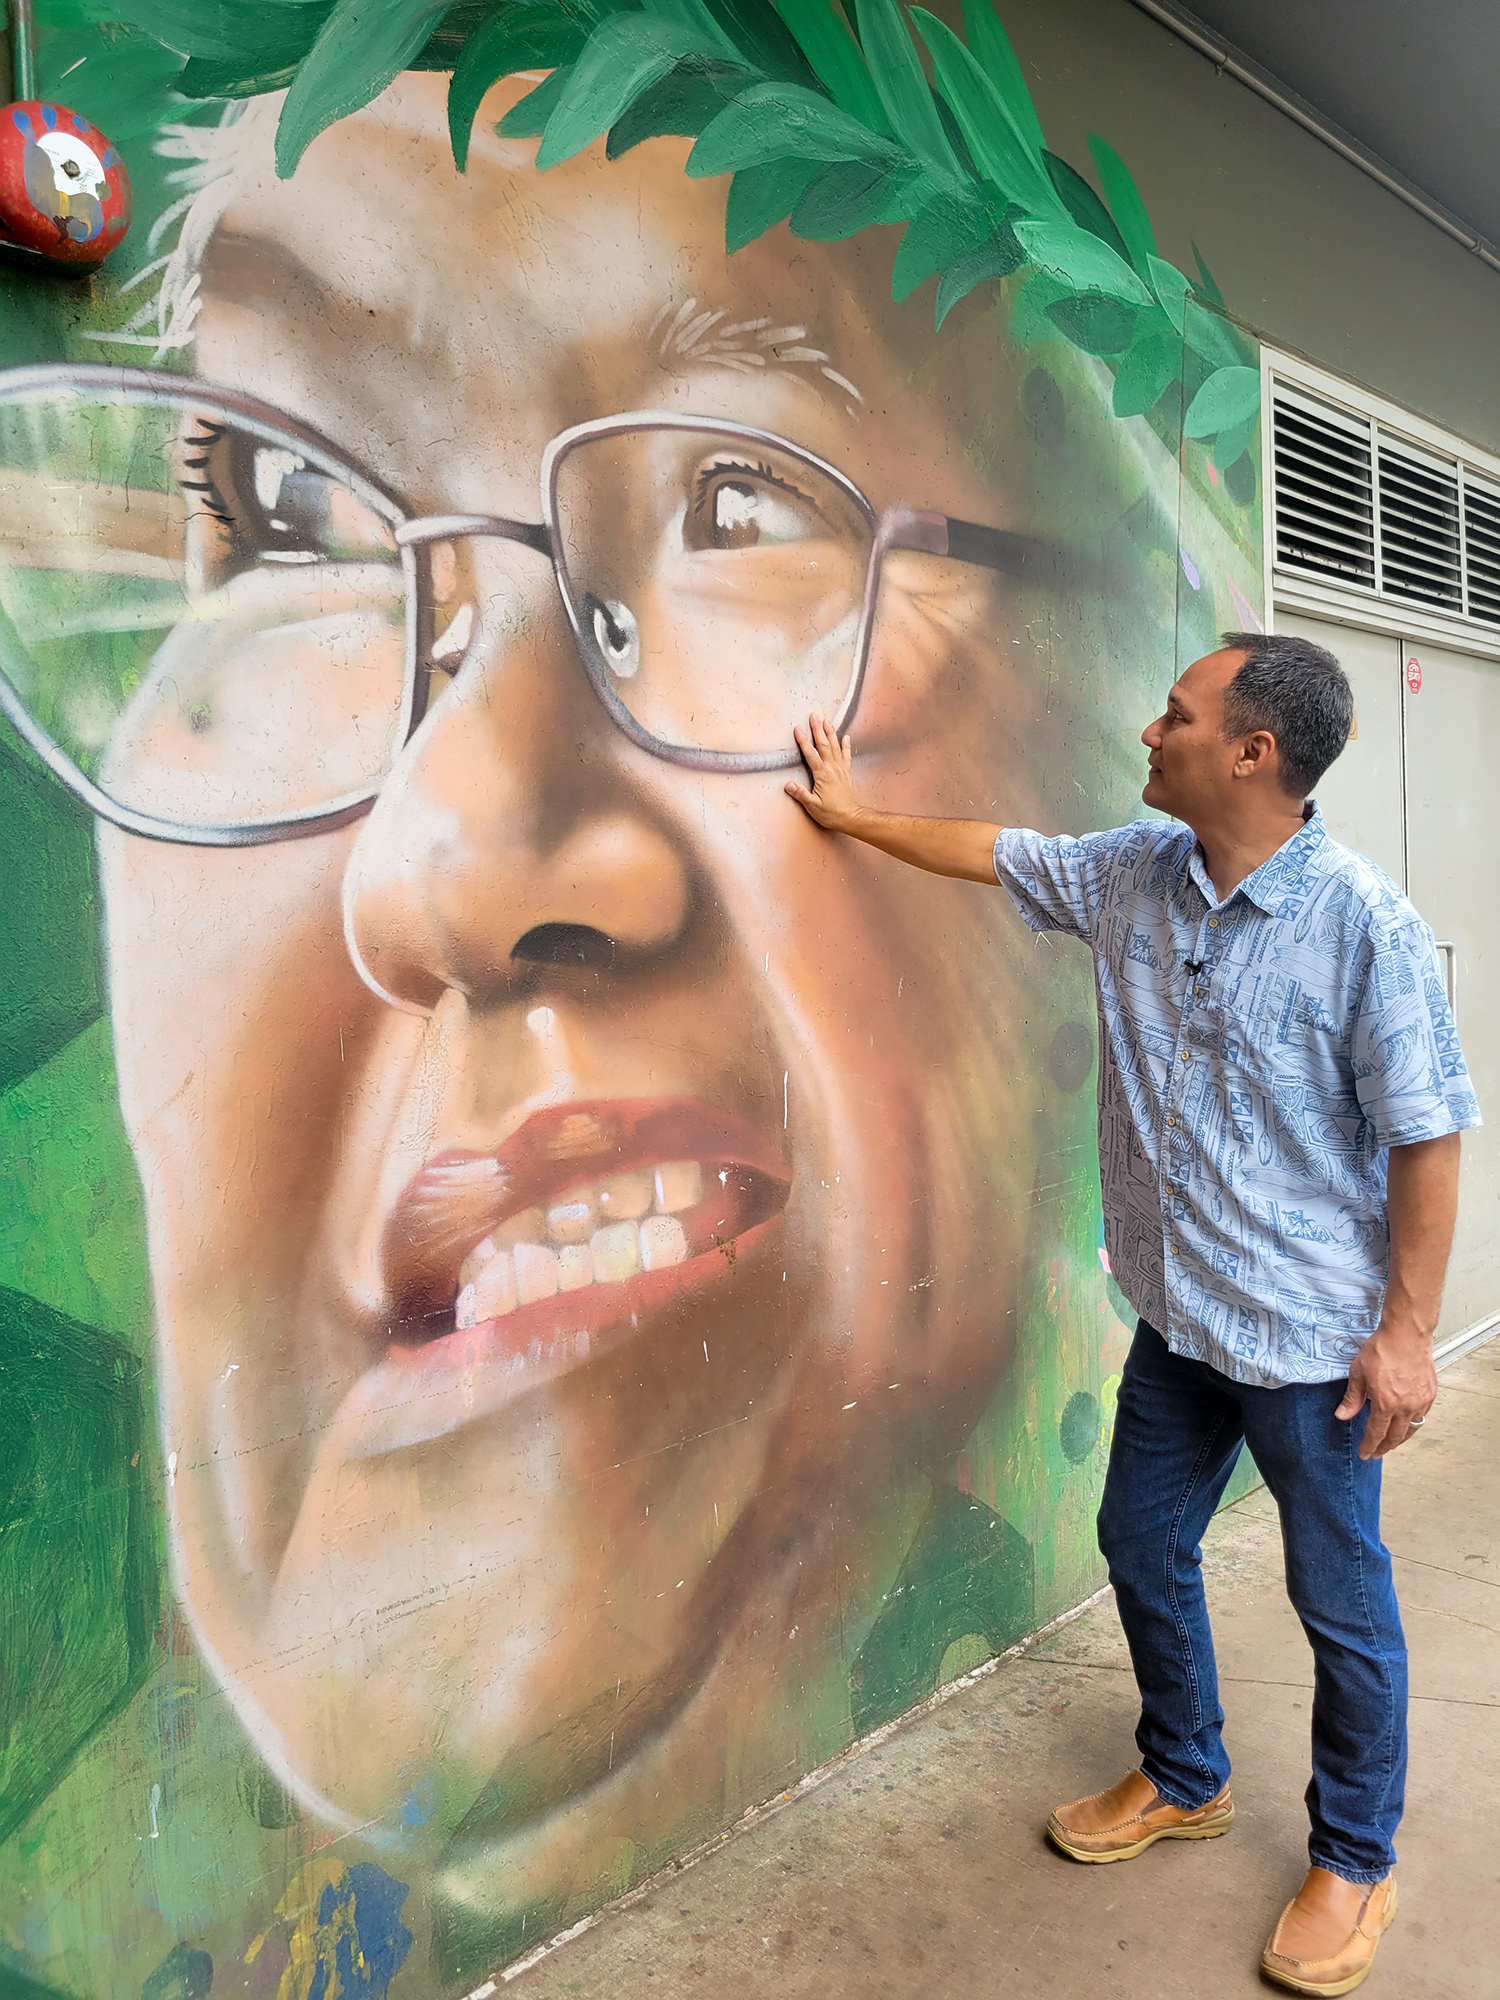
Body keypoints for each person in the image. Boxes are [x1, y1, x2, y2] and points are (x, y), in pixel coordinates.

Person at [0, 70, 1240, 1973]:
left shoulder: (1281, 923)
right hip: (1196, 1345)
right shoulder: (1100, 875)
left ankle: (1335, 1826)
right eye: (289, 506)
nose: (453, 863)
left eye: (742, 498)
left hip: (1292, 1344)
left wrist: (1399, 1327)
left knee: (1320, 1583)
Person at [785, 630, 1481, 1997]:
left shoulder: (1361, 926)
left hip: (1310, 1351)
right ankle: (1186, 1772)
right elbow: (995, 849)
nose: (1147, 730)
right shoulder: (1131, 874)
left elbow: (1429, 1137)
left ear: (1251, 751)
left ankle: (1355, 1858)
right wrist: (854, 815)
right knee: (1137, 1540)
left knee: (1340, 1604)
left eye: (1176, 715)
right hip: (1182, 1320)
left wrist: (1407, 1333)